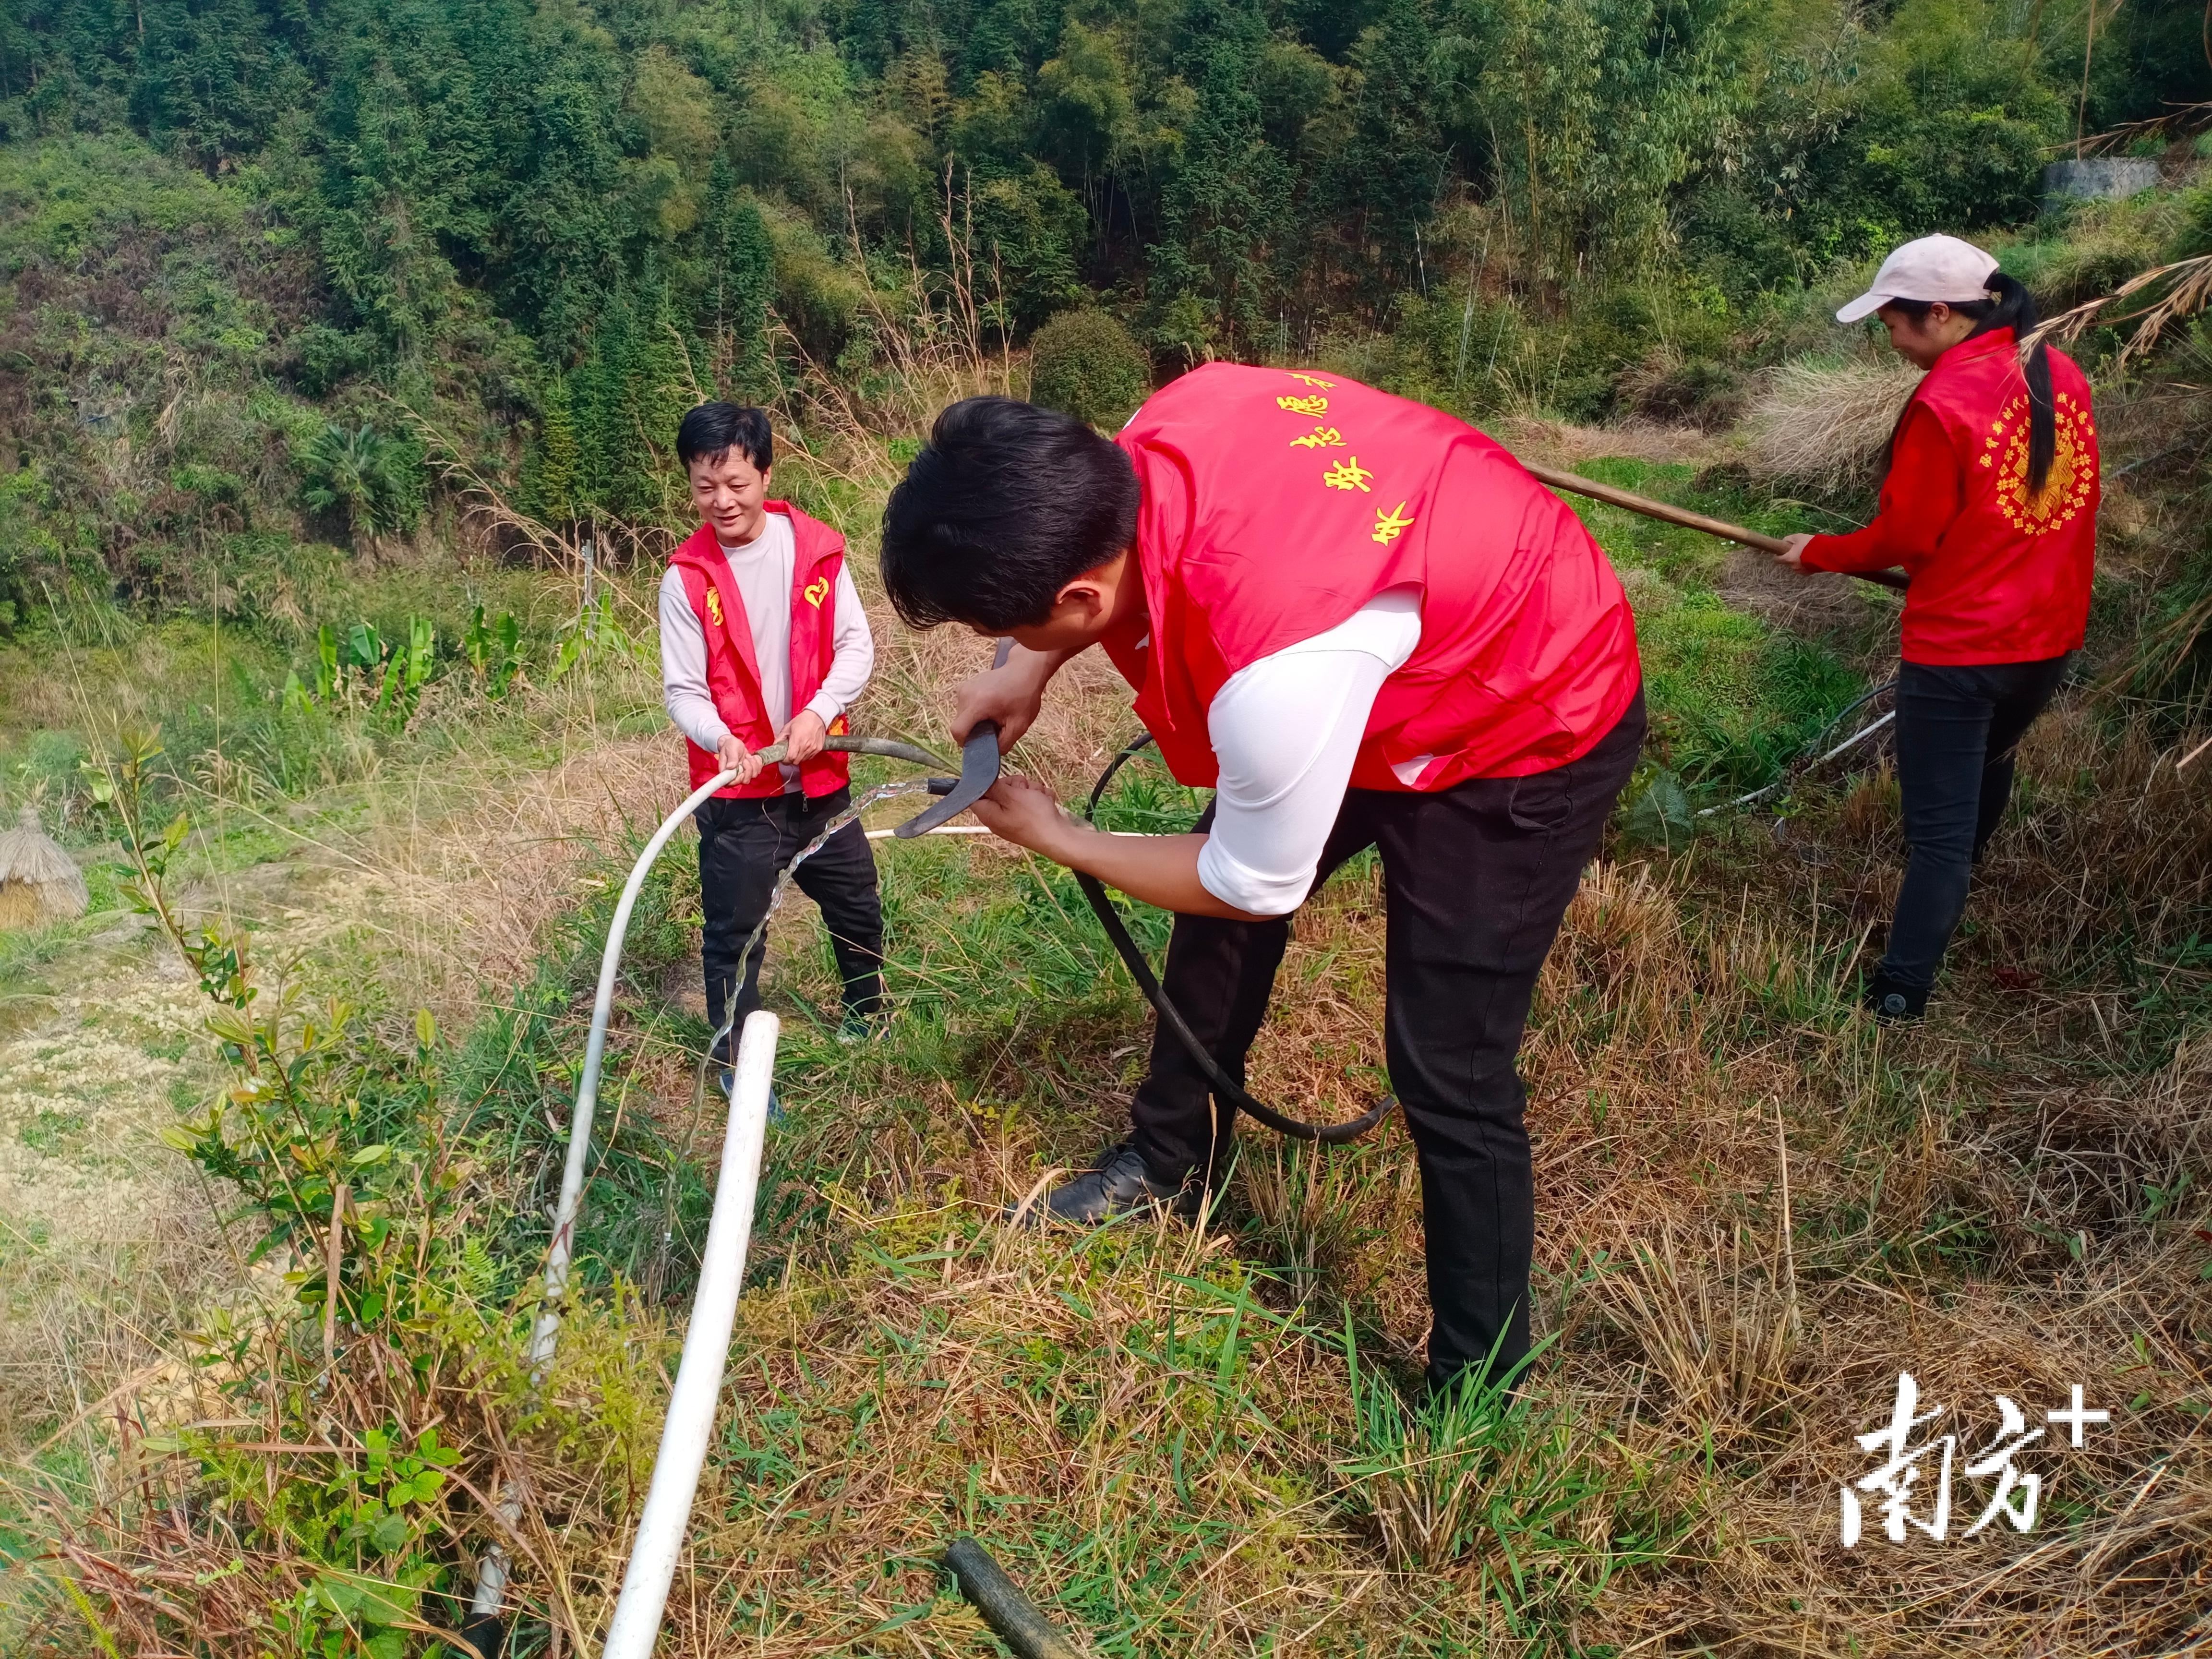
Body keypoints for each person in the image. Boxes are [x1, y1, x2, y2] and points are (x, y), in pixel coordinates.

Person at [878, 368, 1644, 1395]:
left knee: (1449, 1062)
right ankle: (1167, 1163)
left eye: (998, 633)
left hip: (1526, 705)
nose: (994, 650)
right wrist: (1028, 667)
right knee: (1214, 944)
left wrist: (1064, 838)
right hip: (1383, 649)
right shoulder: (1159, 425)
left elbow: (1249, 882)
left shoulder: (1277, 674)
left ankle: (1479, 1378)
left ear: (1079, 597)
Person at [1778, 235, 2099, 1022]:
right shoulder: (2060, 373)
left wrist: (1819, 551)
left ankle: (1900, 993)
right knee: (1991, 760)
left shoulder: (1943, 401)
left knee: (1938, 838)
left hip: (1961, 651)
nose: (1889, 336)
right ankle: (1958, 891)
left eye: (1893, 321)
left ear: (1942, 314)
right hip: (2048, 639)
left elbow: (1904, 537)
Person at [660, 402, 888, 1081]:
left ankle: (868, 1016)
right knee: (734, 937)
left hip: (819, 779)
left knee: (856, 902)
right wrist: (722, 740)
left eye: (736, 483)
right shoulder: (686, 579)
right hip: (741, 796)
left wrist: (819, 713)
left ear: (765, 473)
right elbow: (684, 691)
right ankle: (737, 1068)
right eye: (705, 487)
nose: (722, 501)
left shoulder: (815, 550)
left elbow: (855, 647)